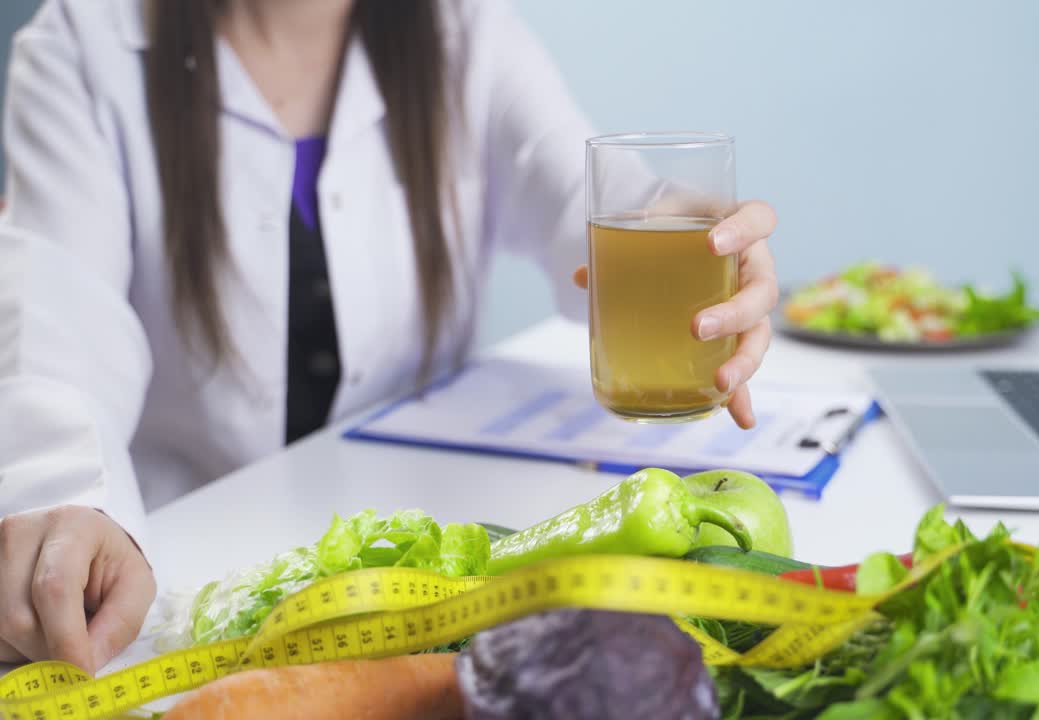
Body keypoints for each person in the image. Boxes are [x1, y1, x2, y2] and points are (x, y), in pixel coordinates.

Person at [0, 0, 779, 672]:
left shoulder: (464, 30)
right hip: (187, 559)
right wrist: (68, 502)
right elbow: (57, 317)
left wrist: (710, 243)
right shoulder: (82, 44)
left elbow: (596, 211)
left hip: (413, 548)